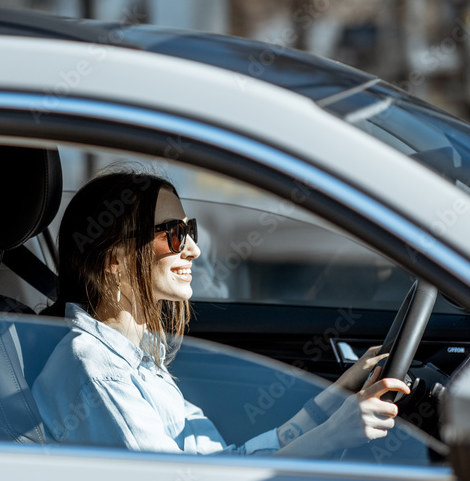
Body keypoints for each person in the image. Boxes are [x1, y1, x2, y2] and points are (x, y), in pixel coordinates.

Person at [32, 169, 410, 456]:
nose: (193, 249)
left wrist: (333, 399)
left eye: (188, 230)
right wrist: (331, 436)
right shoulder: (100, 373)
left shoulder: (136, 358)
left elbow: (222, 466)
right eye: (173, 234)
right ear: (115, 260)